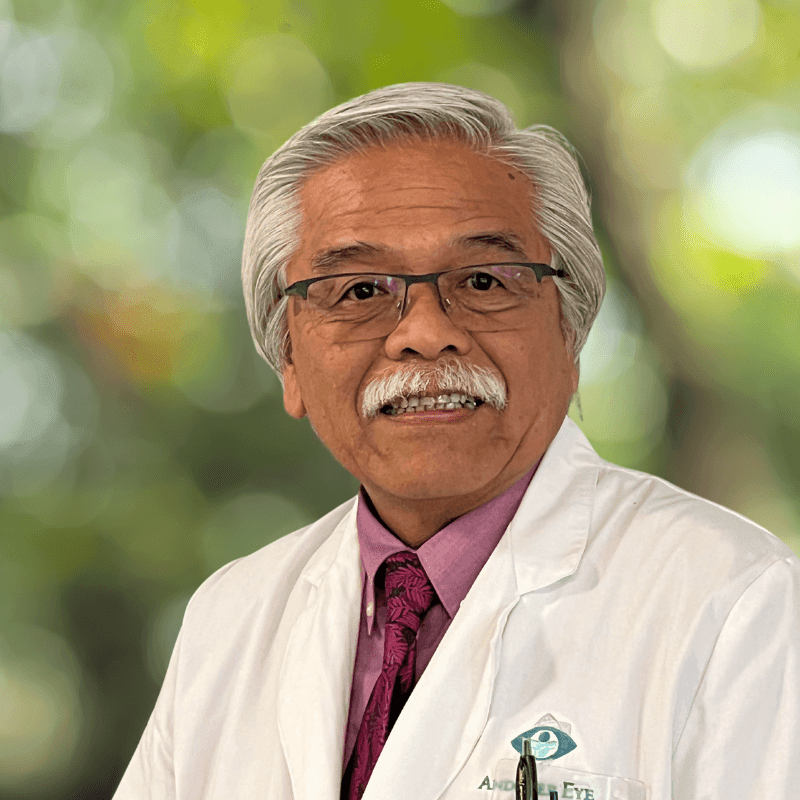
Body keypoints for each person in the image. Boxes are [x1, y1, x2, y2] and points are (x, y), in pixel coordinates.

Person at [113, 83, 800, 800]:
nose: (424, 331)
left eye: (482, 279)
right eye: (359, 291)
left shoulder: (733, 601)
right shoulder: (232, 617)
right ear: (289, 362)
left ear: (571, 336)